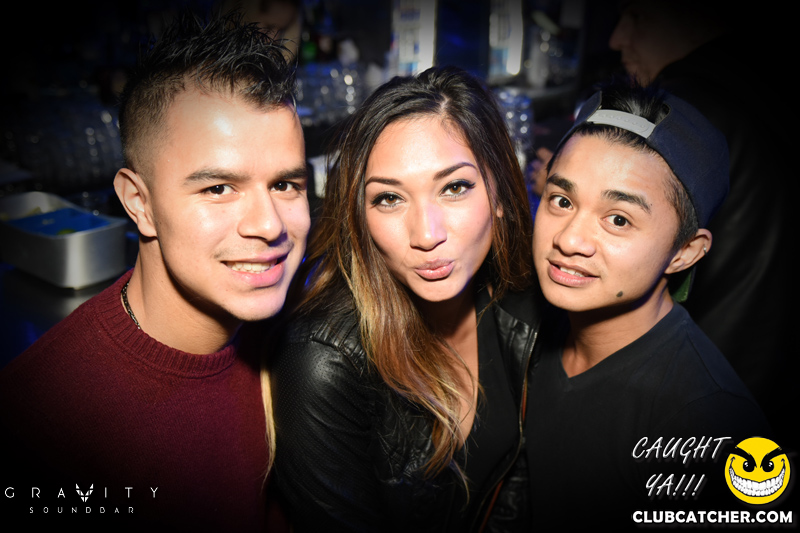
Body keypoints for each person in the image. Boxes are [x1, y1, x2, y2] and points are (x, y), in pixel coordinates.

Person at [0, 11, 309, 532]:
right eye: (218, 188)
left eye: (285, 185)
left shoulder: (291, 332)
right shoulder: (42, 422)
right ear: (139, 204)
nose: (269, 225)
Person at [270, 66, 542, 532]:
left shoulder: (522, 302)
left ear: (498, 193)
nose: (427, 234)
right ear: (359, 216)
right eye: (389, 199)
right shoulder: (323, 363)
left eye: (454, 188)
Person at [526, 82, 773, 528]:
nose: (570, 239)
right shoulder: (530, 329)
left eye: (619, 219)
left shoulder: (707, 424)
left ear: (685, 252)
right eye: (562, 200)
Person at [607, 0, 793, 447]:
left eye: (637, 15)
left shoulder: (682, 108)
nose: (616, 38)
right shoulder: (762, 86)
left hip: (707, 379)